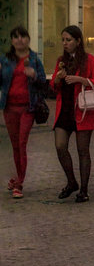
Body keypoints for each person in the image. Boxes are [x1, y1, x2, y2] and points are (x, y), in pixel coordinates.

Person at [49, 25, 94, 203]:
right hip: (64, 111)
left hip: (82, 111)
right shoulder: (61, 61)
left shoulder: (89, 60)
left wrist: (80, 80)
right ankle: (72, 182)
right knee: (60, 146)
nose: (65, 43)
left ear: (78, 41)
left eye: (69, 40)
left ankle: (84, 190)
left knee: (83, 151)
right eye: (63, 40)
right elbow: (54, 87)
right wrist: (57, 78)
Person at [1, 27, 47, 198]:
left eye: (23, 36)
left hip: (28, 107)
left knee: (22, 143)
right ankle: (15, 177)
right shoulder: (6, 59)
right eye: (15, 37)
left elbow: (43, 82)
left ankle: (19, 183)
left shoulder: (34, 59)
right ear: (12, 40)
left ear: (28, 39)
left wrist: (34, 75)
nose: (19, 40)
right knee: (14, 145)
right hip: (9, 107)